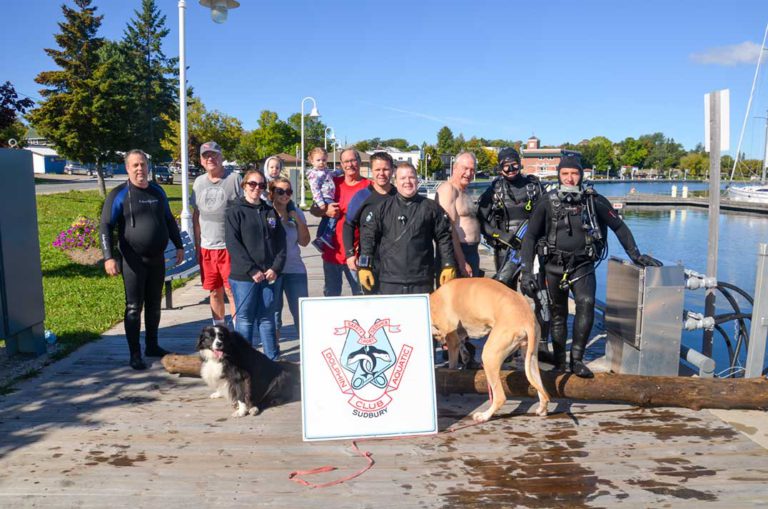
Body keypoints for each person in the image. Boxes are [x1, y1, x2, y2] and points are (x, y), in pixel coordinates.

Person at [520, 155, 662, 378]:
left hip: (582, 265)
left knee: (586, 303)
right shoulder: (547, 202)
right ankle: (559, 362)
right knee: (558, 315)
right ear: (559, 175)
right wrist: (527, 271)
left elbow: (619, 226)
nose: (569, 178)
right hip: (554, 266)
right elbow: (529, 238)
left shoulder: (594, 200)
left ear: (581, 175)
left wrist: (636, 255)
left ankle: (576, 360)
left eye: (574, 173)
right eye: (565, 173)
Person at [100, 149, 183, 370]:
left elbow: (169, 220)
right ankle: (135, 354)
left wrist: (179, 245)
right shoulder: (119, 194)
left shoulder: (157, 191)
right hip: (133, 261)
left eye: (143, 165)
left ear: (148, 166)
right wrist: (109, 257)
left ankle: (152, 345)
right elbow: (106, 226)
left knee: (155, 305)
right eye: (135, 165)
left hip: (157, 259)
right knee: (134, 307)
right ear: (127, 168)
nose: (140, 169)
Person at [358, 162, 457, 295]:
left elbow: (444, 238)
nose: (407, 182)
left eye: (411, 177)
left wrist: (448, 264)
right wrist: (365, 266)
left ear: (417, 180)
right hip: (389, 281)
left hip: (421, 280)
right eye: (403, 178)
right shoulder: (382, 208)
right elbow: (368, 237)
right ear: (396, 181)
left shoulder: (431, 208)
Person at [225, 170, 286, 360]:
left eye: (261, 185)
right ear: (244, 185)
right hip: (244, 277)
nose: (256, 188)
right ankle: (244, 362)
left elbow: (281, 243)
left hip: (269, 275)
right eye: (252, 184)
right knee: (245, 319)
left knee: (267, 318)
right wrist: (251, 270)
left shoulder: (269, 211)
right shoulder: (234, 211)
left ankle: (272, 361)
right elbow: (233, 244)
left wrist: (275, 268)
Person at [477, 147, 545, 290]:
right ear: (500, 168)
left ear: (520, 164)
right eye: (505, 166)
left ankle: (538, 313)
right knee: (505, 290)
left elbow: (549, 216)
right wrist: (501, 235)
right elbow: (480, 221)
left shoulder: (534, 187)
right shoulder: (494, 190)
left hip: (533, 246)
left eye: (514, 164)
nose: (511, 169)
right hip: (505, 249)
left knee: (537, 289)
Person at [192, 141, 243, 326]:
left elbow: (244, 211)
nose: (210, 158)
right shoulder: (198, 183)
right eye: (206, 156)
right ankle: (220, 330)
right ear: (201, 160)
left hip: (229, 247)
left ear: (221, 157)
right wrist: (197, 245)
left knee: (232, 291)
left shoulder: (234, 179)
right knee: (214, 291)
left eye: (214, 155)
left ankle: (239, 331)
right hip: (207, 248)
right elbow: (196, 215)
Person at [312, 148, 369, 297]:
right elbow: (313, 209)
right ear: (341, 165)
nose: (350, 164)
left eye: (353, 160)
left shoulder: (369, 187)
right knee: (332, 297)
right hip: (332, 253)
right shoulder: (331, 183)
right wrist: (325, 211)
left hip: (357, 255)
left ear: (360, 162)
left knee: (361, 297)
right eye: (346, 161)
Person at [342, 151, 397, 294]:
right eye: (377, 170)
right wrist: (350, 254)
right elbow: (348, 225)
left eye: (385, 169)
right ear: (371, 171)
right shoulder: (362, 196)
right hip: (370, 262)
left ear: (392, 170)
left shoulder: (400, 196)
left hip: (396, 263)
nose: (382, 173)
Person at [268, 177, 309, 336]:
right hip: (273, 270)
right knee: (274, 314)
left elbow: (304, 242)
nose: (285, 195)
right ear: (271, 193)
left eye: (288, 192)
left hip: (295, 269)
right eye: (280, 191)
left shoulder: (296, 212)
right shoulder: (266, 212)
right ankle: (273, 352)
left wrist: (296, 219)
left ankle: (306, 351)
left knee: (301, 312)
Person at [435, 151, 482, 277]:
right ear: (454, 168)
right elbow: (448, 229)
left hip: (472, 252)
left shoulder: (464, 191)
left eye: (472, 170)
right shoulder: (448, 189)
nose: (469, 173)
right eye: (465, 168)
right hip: (457, 254)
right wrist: (462, 262)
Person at [306, 147, 341, 251]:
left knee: (326, 219)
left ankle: (319, 238)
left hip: (328, 197)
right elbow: (314, 189)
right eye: (318, 160)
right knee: (335, 214)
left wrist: (341, 171)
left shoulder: (325, 171)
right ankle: (327, 234)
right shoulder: (314, 174)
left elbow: (333, 174)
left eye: (324, 160)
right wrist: (320, 202)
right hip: (324, 197)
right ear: (312, 161)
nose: (321, 162)